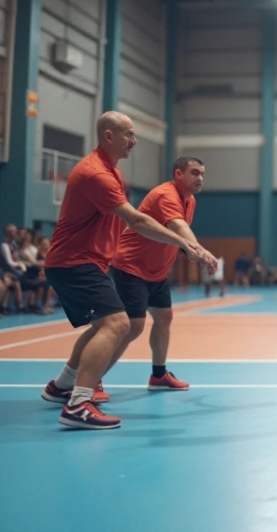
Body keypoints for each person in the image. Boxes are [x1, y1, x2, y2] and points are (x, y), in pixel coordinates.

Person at [40, 111, 214, 430]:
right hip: (74, 262)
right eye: (129, 135)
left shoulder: (113, 173)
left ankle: (61, 386)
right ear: (109, 136)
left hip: (87, 262)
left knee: (106, 325)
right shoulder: (97, 174)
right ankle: (79, 403)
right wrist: (189, 245)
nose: (134, 141)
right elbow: (136, 220)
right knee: (119, 324)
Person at [106, 156, 211, 393]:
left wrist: (191, 251)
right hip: (132, 266)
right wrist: (201, 251)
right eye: (194, 173)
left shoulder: (189, 201)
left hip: (157, 271)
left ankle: (159, 375)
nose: (200, 178)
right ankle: (92, 380)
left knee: (164, 318)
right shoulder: (166, 195)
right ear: (178, 175)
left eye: (202, 174)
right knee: (132, 326)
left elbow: (179, 237)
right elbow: (179, 228)